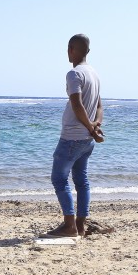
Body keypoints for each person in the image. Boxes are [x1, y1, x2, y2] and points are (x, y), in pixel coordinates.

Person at [42, 34, 104, 238]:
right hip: (86, 140)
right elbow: (99, 106)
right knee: (81, 180)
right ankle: (80, 225)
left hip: (72, 137)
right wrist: (95, 127)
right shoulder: (94, 73)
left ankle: (69, 226)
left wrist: (90, 127)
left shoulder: (74, 74)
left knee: (59, 179)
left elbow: (77, 105)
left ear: (71, 49)